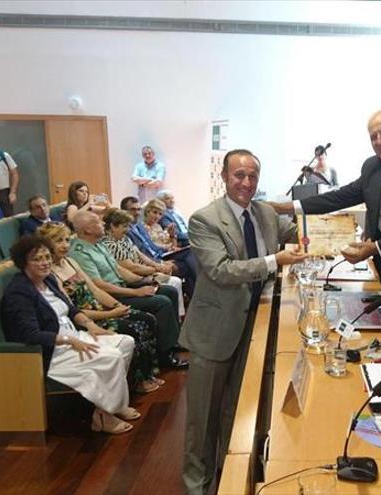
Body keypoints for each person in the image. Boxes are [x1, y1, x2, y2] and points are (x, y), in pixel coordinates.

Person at [182, 149, 305, 495]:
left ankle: (227, 476)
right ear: (224, 176)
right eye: (239, 175)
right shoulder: (204, 219)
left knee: (237, 410)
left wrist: (330, 234)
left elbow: (298, 231)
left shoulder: (264, 213)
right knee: (202, 419)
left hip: (255, 325)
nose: (246, 183)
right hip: (214, 332)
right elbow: (221, 271)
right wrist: (274, 260)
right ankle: (196, 486)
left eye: (252, 176)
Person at [270, 107, 381, 279]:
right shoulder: (372, 167)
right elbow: (339, 198)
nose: (379, 141)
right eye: (373, 137)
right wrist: (284, 208)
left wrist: (376, 247)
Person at [0, 235, 139, 435]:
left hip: (72, 334)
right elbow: (30, 335)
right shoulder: (19, 293)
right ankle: (106, 413)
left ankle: (108, 406)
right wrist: (69, 340)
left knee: (125, 342)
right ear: (23, 263)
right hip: (51, 349)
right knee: (112, 356)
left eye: (47, 256)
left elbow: (70, 308)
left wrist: (91, 325)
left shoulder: (48, 279)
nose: (45, 262)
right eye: (37, 259)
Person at [38, 222, 163, 394]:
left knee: (147, 319)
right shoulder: (49, 274)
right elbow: (71, 309)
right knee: (134, 327)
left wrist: (117, 306)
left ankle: (148, 374)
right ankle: (134, 383)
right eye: (59, 241)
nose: (65, 245)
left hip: (102, 309)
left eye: (67, 240)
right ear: (47, 244)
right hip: (85, 319)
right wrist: (111, 313)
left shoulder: (71, 261)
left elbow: (95, 290)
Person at [69, 210, 187, 369]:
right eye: (97, 222)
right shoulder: (80, 252)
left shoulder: (99, 244)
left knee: (168, 290)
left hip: (122, 286)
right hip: (110, 296)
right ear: (87, 230)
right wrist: (136, 292)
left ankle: (171, 342)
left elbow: (119, 270)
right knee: (161, 302)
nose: (103, 224)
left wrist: (146, 280)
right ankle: (165, 356)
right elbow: (99, 285)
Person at [101, 208, 185, 315]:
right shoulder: (110, 244)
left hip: (143, 272)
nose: (127, 230)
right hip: (133, 279)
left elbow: (139, 254)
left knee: (177, 273)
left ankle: (177, 318)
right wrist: (155, 270)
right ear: (113, 226)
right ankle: (177, 317)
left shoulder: (123, 238)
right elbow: (131, 267)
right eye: (124, 226)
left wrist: (158, 266)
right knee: (174, 283)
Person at [122, 196, 197, 296]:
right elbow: (140, 255)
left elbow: (152, 246)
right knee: (188, 262)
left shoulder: (139, 226)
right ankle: (196, 295)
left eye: (138, 209)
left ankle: (195, 296)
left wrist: (171, 244)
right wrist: (160, 263)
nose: (137, 213)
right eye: (132, 209)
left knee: (191, 253)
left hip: (161, 254)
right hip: (153, 260)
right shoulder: (126, 231)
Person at [156, 189, 200, 294]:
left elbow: (173, 236)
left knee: (188, 264)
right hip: (174, 247)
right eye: (167, 198)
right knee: (192, 251)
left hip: (175, 246)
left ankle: (195, 294)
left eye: (172, 198)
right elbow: (176, 235)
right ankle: (200, 287)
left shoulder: (176, 211)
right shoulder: (163, 216)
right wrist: (193, 236)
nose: (171, 200)